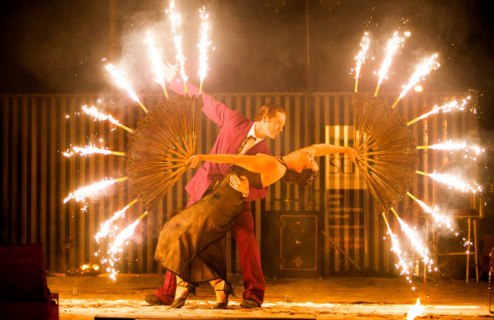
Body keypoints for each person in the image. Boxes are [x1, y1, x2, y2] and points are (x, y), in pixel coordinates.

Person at [143, 68, 286, 308]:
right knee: (181, 232)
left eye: (283, 126)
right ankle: (167, 292)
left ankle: (253, 295)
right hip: (204, 189)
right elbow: (204, 100)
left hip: (235, 200)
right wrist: (174, 80)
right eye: (278, 123)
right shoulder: (234, 119)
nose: (280, 129)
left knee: (247, 240)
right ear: (264, 116)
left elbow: (264, 189)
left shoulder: (266, 153)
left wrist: (245, 191)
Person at [153, 143, 360, 309]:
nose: (311, 155)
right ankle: (218, 287)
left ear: (299, 168)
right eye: (313, 159)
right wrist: (345, 149)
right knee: (201, 240)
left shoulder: (276, 166)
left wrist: (202, 157)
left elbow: (236, 159)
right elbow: (318, 147)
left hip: (225, 201)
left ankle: (186, 286)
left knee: (182, 231)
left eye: (311, 161)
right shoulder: (286, 160)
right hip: (222, 195)